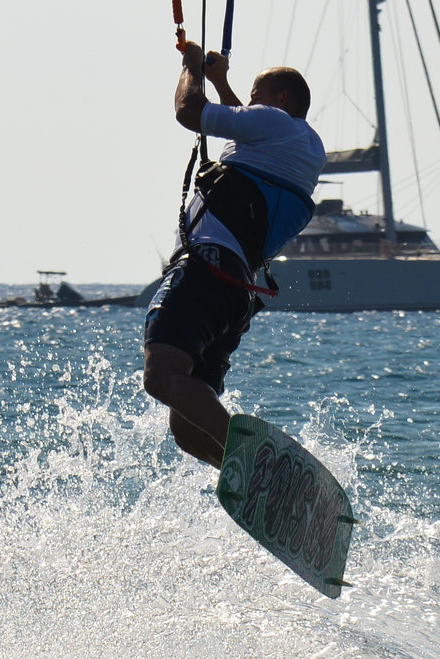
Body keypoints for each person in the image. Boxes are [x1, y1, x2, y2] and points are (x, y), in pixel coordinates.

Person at [143, 41, 326, 469]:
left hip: (207, 270)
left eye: (256, 96)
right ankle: (262, 480)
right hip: (235, 294)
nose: (248, 105)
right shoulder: (303, 147)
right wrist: (222, 81)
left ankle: (259, 464)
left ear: (281, 102)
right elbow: (245, 127)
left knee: (162, 375)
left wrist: (192, 69)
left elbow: (190, 112)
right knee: (188, 429)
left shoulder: (273, 123)